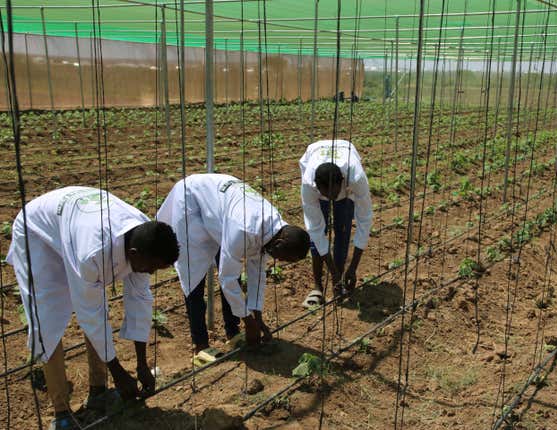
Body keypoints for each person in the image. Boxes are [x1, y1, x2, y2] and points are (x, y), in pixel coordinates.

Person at [6, 186, 179, 430]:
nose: (151, 273)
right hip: (37, 234)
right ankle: (61, 413)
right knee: (47, 318)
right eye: (151, 268)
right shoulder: (92, 253)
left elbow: (140, 300)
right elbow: (90, 313)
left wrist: (141, 363)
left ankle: (98, 390)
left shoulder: (145, 238)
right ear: (133, 253)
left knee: (98, 310)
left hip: (74, 222)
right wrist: (119, 372)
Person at [157, 174, 309, 355]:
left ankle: (233, 332)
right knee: (194, 274)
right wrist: (248, 320)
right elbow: (226, 277)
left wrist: (256, 318)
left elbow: (257, 273)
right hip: (192, 200)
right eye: (284, 258)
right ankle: (201, 345)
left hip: (222, 209)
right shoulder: (244, 229)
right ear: (279, 245)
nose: (280, 261)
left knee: (230, 269)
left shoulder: (274, 231)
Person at [299, 139, 373, 307]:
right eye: (326, 193)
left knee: (343, 229)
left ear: (342, 182)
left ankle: (339, 283)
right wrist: (331, 271)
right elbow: (315, 229)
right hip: (316, 154)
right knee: (318, 232)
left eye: (334, 192)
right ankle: (317, 287)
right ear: (317, 187)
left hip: (345, 162)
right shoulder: (308, 184)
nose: (331, 197)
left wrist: (353, 267)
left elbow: (364, 219)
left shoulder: (356, 178)